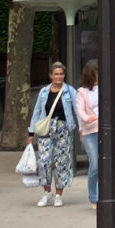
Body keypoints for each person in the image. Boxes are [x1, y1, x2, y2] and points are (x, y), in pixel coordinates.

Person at [75, 61, 115, 206]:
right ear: (90, 73)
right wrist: (88, 118)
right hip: (90, 131)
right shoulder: (82, 91)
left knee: (106, 165)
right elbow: (79, 110)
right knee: (94, 164)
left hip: (106, 131)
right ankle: (94, 197)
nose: (100, 75)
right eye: (97, 72)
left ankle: (102, 196)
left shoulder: (108, 89)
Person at [30, 61, 80, 207]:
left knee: (62, 162)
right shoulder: (44, 92)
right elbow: (37, 112)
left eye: (61, 74)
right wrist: (31, 132)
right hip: (46, 128)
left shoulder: (70, 91)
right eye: (56, 74)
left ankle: (59, 194)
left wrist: (82, 129)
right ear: (51, 75)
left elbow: (77, 111)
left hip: (63, 128)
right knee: (44, 161)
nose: (59, 77)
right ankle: (46, 192)